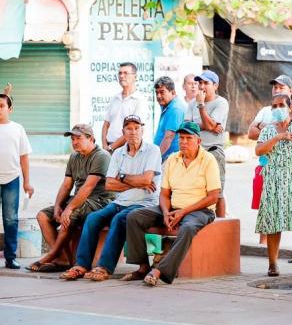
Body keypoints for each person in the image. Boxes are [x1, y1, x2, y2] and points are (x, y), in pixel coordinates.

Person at [59, 115, 161, 281]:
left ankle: (104, 267)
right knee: (92, 219)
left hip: (144, 203)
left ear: (143, 130)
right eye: (129, 128)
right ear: (123, 132)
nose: (133, 132)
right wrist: (134, 181)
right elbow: (109, 185)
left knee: (119, 219)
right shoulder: (118, 153)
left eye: (136, 128)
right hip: (120, 201)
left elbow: (146, 180)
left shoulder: (152, 150)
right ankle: (81, 265)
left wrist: (122, 177)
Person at [123, 121, 221, 286]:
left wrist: (183, 212)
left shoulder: (208, 160)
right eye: (181, 138)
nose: (183, 142)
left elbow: (213, 197)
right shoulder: (172, 159)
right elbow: (164, 194)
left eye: (188, 138)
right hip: (172, 208)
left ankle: (159, 270)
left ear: (198, 141)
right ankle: (143, 267)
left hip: (200, 210)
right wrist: (166, 212)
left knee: (188, 228)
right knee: (134, 217)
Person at [28, 124, 112, 272]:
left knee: (70, 214)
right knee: (43, 216)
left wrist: (69, 208)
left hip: (100, 201)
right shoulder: (74, 156)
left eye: (78, 138)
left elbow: (88, 187)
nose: (74, 142)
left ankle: (51, 255)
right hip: (80, 199)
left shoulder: (102, 156)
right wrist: (57, 207)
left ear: (91, 138)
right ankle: (63, 259)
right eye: (72, 139)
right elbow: (67, 185)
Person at [254, 94, 292, 277]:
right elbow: (259, 150)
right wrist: (278, 137)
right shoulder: (268, 130)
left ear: (289, 107)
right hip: (273, 179)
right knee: (272, 221)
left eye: (281, 105)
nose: (277, 109)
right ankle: (272, 264)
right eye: (274, 106)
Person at [185, 70, 228, 217]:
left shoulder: (220, 103)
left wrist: (201, 106)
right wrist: (207, 124)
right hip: (195, 153)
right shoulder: (192, 103)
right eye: (200, 83)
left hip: (213, 151)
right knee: (195, 191)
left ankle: (222, 225)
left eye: (206, 83)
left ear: (215, 86)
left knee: (218, 192)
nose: (202, 86)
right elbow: (187, 128)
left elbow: (208, 126)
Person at [0, 93, 34, 269]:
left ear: (10, 109)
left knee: (10, 219)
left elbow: (24, 158)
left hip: (12, 179)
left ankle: (10, 257)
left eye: (1, 106)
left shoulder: (17, 129)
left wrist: (27, 182)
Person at [102, 62, 149, 153]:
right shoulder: (115, 98)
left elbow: (133, 130)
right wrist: (104, 146)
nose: (122, 76)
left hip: (127, 149)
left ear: (135, 77)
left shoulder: (140, 100)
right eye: (120, 73)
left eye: (125, 73)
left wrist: (111, 147)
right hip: (108, 147)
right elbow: (106, 125)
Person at [248, 74, 292, 141]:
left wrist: (263, 127)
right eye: (275, 87)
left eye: (281, 88)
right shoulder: (265, 110)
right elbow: (251, 134)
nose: (277, 90)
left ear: (291, 91)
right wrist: (276, 132)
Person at [153, 76, 185, 161]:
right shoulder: (167, 105)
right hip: (167, 157)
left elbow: (169, 137)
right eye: (157, 93)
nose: (158, 96)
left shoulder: (175, 109)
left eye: (162, 92)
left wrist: (154, 160)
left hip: (171, 159)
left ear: (173, 92)